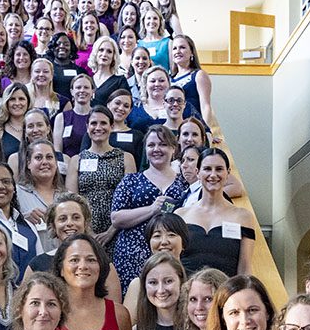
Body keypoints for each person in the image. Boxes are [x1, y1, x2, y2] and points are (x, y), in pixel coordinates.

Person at [110, 125, 188, 293]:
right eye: (151, 145)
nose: (156, 149)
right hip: (132, 256)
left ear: (173, 149)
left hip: (171, 255)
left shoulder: (184, 183)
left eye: (163, 144)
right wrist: (152, 209)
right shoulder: (131, 180)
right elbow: (116, 218)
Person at [22, 191, 123, 301]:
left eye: (76, 217)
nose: (69, 223)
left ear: (85, 223)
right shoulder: (36, 265)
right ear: (53, 226)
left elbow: (114, 311)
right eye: (62, 219)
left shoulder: (103, 263)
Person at [176, 148, 256, 277]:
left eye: (219, 169)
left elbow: (245, 268)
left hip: (226, 293)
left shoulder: (243, 217)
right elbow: (174, 264)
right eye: (207, 169)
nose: (213, 175)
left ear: (228, 173)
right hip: (188, 293)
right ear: (198, 172)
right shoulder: (181, 215)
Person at [68, 106, 138, 247]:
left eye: (103, 123)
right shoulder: (77, 160)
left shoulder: (126, 158)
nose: (98, 127)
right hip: (85, 232)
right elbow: (72, 200)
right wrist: (89, 232)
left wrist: (111, 231)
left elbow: (131, 199)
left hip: (119, 231)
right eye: (94, 123)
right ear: (87, 127)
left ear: (111, 126)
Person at [123, 213, 190, 323]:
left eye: (171, 235)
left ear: (183, 242)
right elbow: (128, 327)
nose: (164, 241)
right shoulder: (138, 285)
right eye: (157, 236)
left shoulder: (194, 282)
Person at [15, 139, 65, 251]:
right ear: (28, 164)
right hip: (32, 263)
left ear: (56, 163)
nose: (45, 162)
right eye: (38, 158)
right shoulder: (16, 193)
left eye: (49, 157)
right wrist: (23, 219)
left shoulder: (67, 197)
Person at [128, 66, 203, 132]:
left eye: (161, 81)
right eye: (153, 81)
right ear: (145, 85)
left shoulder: (183, 106)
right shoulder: (134, 108)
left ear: (169, 84)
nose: (157, 84)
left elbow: (204, 130)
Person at [53, 74, 95, 158]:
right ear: (72, 91)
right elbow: (58, 151)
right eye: (78, 87)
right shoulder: (61, 118)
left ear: (92, 91)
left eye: (86, 87)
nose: (82, 90)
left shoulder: (98, 116)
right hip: (68, 166)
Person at [6, 107, 56, 176]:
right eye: (30, 126)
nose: (35, 130)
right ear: (25, 132)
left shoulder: (64, 158)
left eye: (39, 125)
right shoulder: (15, 160)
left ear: (48, 129)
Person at [90, 36, 129, 106]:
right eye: (101, 50)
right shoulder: (88, 80)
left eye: (109, 52)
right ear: (95, 53)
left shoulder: (120, 81)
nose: (104, 54)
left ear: (114, 56)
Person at [47, 32, 88, 98]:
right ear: (53, 47)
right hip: (53, 105)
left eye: (66, 44)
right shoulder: (47, 69)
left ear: (71, 48)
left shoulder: (80, 71)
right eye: (58, 44)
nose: (62, 46)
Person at [0, 82, 31, 157]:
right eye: (12, 99)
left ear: (28, 102)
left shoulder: (36, 128)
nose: (17, 103)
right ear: (6, 103)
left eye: (21, 99)